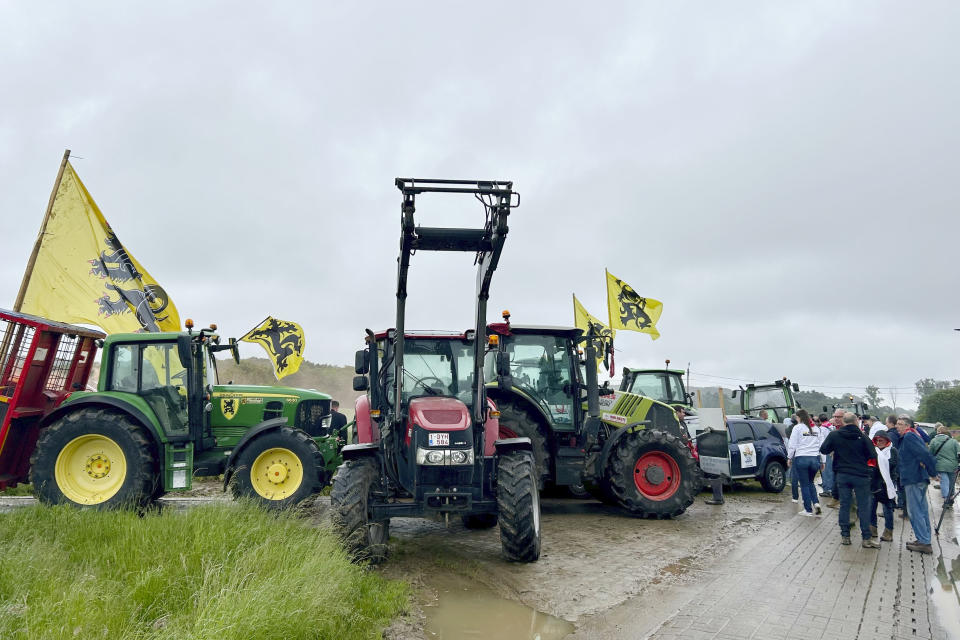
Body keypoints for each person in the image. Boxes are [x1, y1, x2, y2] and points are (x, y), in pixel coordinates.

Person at [820, 412, 879, 548]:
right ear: (856, 422)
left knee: (845, 505)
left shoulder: (835, 435)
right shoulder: (863, 437)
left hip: (842, 475)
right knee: (864, 507)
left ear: (844, 422)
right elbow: (872, 455)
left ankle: (845, 536)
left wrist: (835, 449)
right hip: (861, 476)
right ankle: (866, 539)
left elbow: (823, 449)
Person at [896, 416, 939, 554]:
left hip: (914, 478)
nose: (897, 426)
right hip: (917, 478)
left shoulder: (909, 437)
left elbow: (924, 454)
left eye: (900, 424)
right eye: (897, 424)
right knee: (922, 510)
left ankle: (924, 542)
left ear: (908, 426)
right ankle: (924, 539)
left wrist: (932, 472)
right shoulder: (912, 436)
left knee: (915, 511)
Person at [787, 409, 825, 516]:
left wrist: (789, 457)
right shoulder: (816, 428)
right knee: (810, 482)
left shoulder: (797, 428)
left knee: (804, 484)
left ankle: (808, 509)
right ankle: (816, 503)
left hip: (802, 458)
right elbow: (821, 446)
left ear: (799, 418)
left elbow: (792, 444)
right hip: (815, 458)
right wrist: (823, 461)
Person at [869, 432, 898, 541]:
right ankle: (872, 529)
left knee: (887, 508)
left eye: (882, 440)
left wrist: (880, 462)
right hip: (874, 482)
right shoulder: (873, 450)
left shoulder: (892, 451)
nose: (879, 442)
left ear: (887, 441)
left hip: (888, 482)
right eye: (877, 440)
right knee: (871, 506)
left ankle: (888, 531)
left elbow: (892, 465)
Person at [928, 424, 959, 508]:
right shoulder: (954, 441)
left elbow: (930, 454)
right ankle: (951, 496)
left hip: (940, 466)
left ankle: (946, 499)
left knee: (944, 481)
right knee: (952, 482)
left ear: (938, 432)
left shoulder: (933, 441)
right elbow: (959, 453)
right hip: (953, 465)